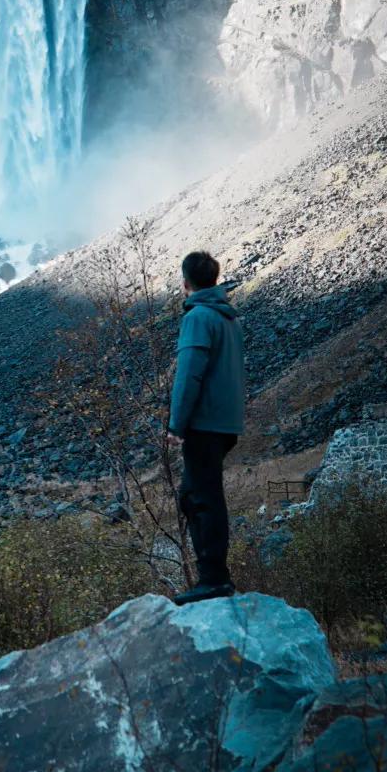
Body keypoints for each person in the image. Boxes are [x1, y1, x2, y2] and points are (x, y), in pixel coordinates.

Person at [167, 250, 245, 605]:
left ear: (186, 283)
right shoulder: (228, 317)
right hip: (227, 422)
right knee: (194, 494)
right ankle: (213, 577)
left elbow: (189, 374)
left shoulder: (198, 317)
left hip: (204, 422)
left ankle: (214, 579)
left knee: (203, 497)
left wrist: (176, 424)